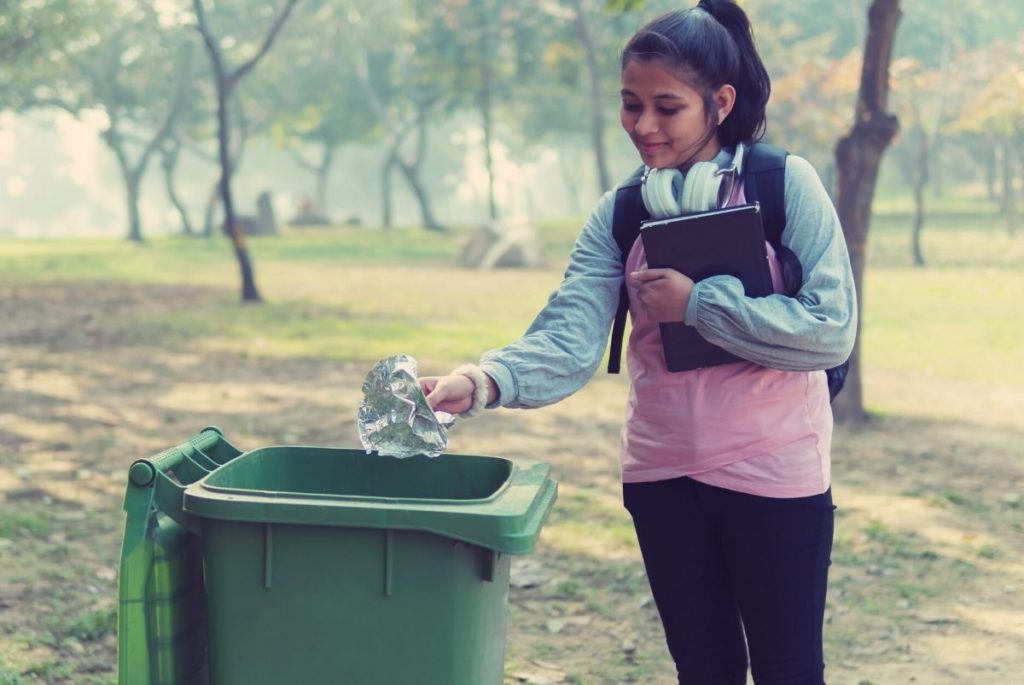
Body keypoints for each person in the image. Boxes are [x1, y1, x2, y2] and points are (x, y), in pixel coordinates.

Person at [420, 1, 856, 683]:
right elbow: (570, 335)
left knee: (788, 669)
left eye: (666, 107)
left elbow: (830, 328)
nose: (643, 126)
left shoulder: (784, 184)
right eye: (630, 105)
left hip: (777, 472)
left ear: (720, 102)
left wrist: (701, 303)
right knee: (702, 669)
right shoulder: (622, 211)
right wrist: (481, 381)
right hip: (663, 477)